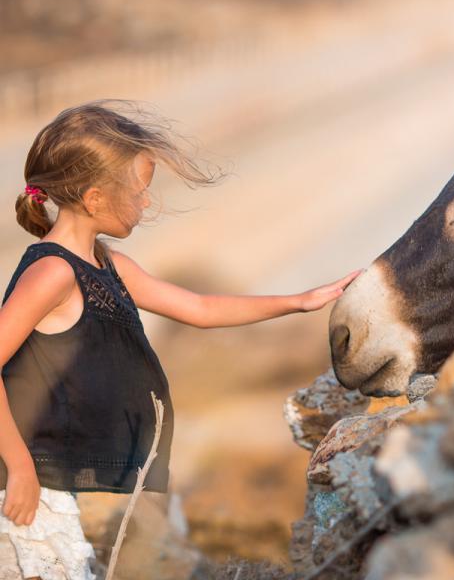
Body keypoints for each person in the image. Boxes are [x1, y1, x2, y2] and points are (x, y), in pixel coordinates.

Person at [0, 100, 362, 580]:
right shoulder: (53, 272)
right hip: (40, 487)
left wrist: (299, 300)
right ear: (94, 199)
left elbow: (200, 309)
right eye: (139, 191)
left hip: (83, 486)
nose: (146, 202)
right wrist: (20, 467)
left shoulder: (110, 265)